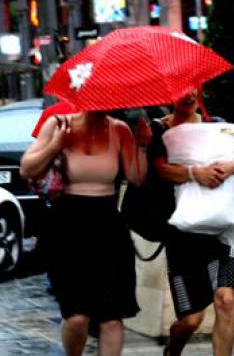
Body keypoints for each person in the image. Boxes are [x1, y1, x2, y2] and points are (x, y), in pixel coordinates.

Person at [20, 110, 152, 356]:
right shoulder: (58, 124)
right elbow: (26, 169)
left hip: (108, 227)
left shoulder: (119, 129)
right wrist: (56, 145)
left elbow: (136, 177)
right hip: (67, 227)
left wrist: (142, 145)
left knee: (111, 317)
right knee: (77, 317)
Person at [151, 89, 234, 356]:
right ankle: (173, 350)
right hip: (183, 235)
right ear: (169, 92)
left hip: (223, 233)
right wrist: (196, 173)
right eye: (182, 88)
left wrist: (230, 167)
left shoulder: (216, 125)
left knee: (225, 300)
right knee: (191, 320)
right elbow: (160, 170)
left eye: (194, 86)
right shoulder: (159, 130)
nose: (189, 93)